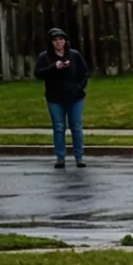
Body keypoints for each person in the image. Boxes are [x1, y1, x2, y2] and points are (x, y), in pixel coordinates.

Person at [34, 27, 90, 169]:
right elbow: (38, 73)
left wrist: (80, 87)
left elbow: (84, 72)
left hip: (75, 97)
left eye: (61, 39)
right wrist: (54, 67)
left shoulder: (74, 55)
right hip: (55, 98)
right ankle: (60, 157)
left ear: (65, 40)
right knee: (59, 127)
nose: (59, 42)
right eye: (55, 40)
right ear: (51, 42)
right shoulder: (45, 57)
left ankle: (79, 157)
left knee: (76, 127)